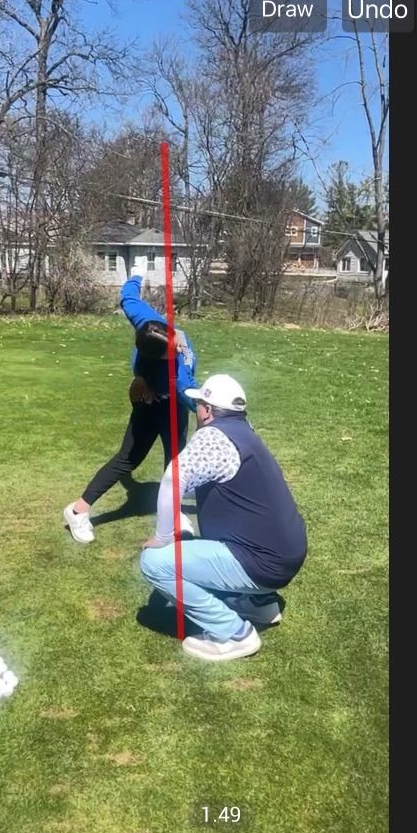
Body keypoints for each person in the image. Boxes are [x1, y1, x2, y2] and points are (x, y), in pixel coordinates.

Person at [140, 373, 307, 661]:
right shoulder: (245, 431)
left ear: (207, 411)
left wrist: (163, 536)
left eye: (198, 406)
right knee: (191, 533)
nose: (196, 411)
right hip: (285, 554)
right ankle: (258, 603)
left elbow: (172, 480)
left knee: (153, 563)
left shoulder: (213, 436)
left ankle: (234, 633)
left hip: (262, 563)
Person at [64, 274, 198, 544]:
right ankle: (77, 511)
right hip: (153, 407)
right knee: (128, 459)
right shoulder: (174, 376)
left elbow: (128, 297)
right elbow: (193, 396)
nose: (178, 347)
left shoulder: (149, 323)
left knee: (176, 460)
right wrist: (227, 415)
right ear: (158, 358)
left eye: (174, 341)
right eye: (171, 352)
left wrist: (136, 273)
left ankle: (174, 514)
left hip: (173, 407)